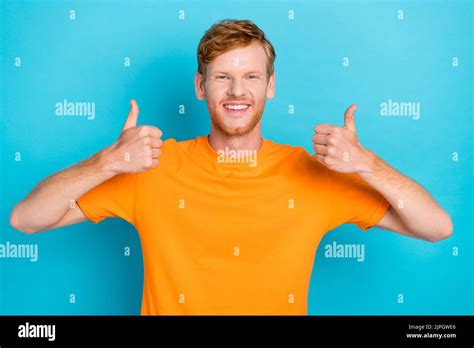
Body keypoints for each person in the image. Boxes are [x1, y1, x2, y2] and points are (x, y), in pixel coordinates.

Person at [10, 19, 453, 315]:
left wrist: (368, 165)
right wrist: (106, 162)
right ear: (201, 87)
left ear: (271, 86)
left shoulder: (313, 174)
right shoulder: (151, 168)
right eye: (222, 77)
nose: (237, 90)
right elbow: (26, 219)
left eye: (251, 77)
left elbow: (436, 227)